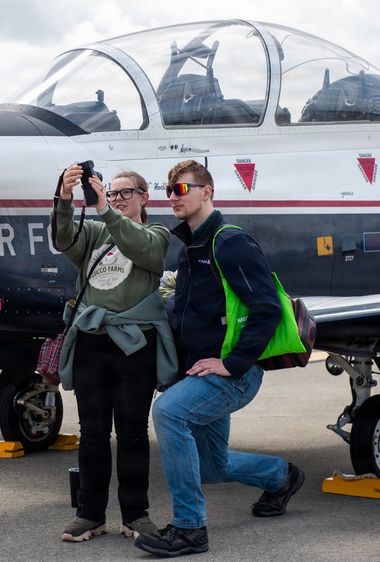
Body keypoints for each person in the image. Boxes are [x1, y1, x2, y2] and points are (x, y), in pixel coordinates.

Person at [135, 160, 305, 557]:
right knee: (212, 466)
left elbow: (267, 309)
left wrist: (232, 363)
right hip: (201, 371)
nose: (172, 197)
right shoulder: (191, 248)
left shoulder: (230, 243)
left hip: (232, 372)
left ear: (206, 191)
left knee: (169, 413)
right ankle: (282, 477)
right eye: (168, 190)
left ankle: (190, 529)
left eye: (180, 189)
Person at [51, 164, 177, 543]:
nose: (117, 198)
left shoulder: (158, 235)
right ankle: (89, 514)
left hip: (134, 345)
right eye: (112, 192)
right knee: (91, 433)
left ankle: (136, 515)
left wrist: (106, 208)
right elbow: (62, 239)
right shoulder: (93, 233)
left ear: (144, 198)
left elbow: (140, 247)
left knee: (134, 434)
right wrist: (64, 197)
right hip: (91, 341)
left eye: (125, 193)